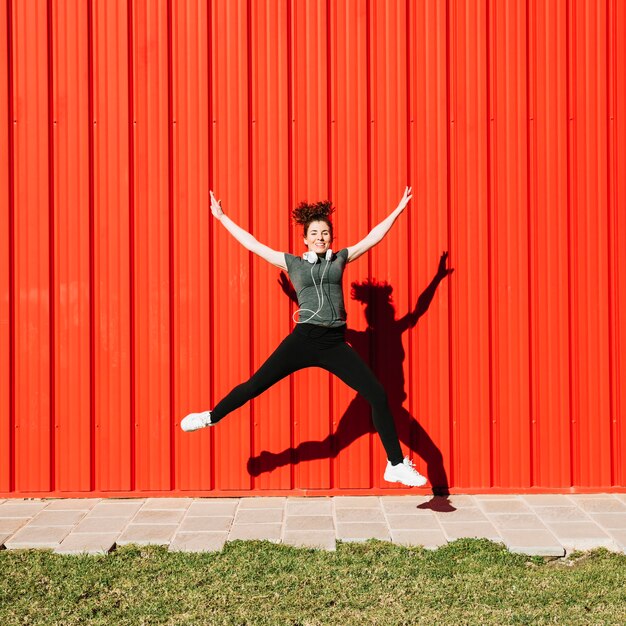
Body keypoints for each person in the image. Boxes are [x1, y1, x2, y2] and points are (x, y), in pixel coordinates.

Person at [181, 188, 427, 487]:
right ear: (305, 240)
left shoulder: (339, 260)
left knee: (377, 394)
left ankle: (396, 464)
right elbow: (254, 245)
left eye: (325, 232)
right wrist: (222, 219)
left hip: (333, 344)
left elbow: (373, 237)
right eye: (315, 233)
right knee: (256, 384)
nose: (320, 237)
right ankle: (212, 415)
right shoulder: (293, 263)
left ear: (330, 238)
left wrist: (397, 210)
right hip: (303, 340)